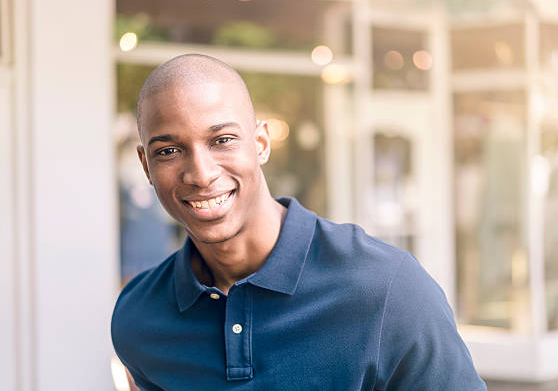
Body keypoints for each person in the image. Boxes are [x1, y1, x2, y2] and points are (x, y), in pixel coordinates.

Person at [111, 53, 487, 390]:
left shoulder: (386, 288)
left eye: (222, 140)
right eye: (170, 151)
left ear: (260, 144)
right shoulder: (139, 316)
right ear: (146, 165)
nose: (201, 173)